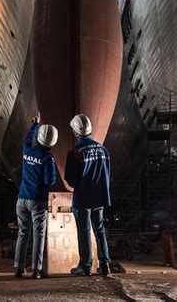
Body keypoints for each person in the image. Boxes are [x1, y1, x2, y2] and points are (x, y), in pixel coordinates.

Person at [65, 114, 111, 276]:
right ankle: (105, 265)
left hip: (83, 198)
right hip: (99, 198)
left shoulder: (75, 152)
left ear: (76, 132)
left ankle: (85, 266)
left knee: (84, 231)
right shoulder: (103, 150)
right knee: (99, 229)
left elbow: (70, 181)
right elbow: (106, 175)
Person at [14, 113, 58, 279]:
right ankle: (36, 270)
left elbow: (27, 139)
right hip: (37, 201)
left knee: (23, 233)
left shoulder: (27, 149)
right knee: (38, 235)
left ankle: (19, 268)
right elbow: (50, 181)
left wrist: (35, 124)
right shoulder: (47, 158)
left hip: (21, 199)